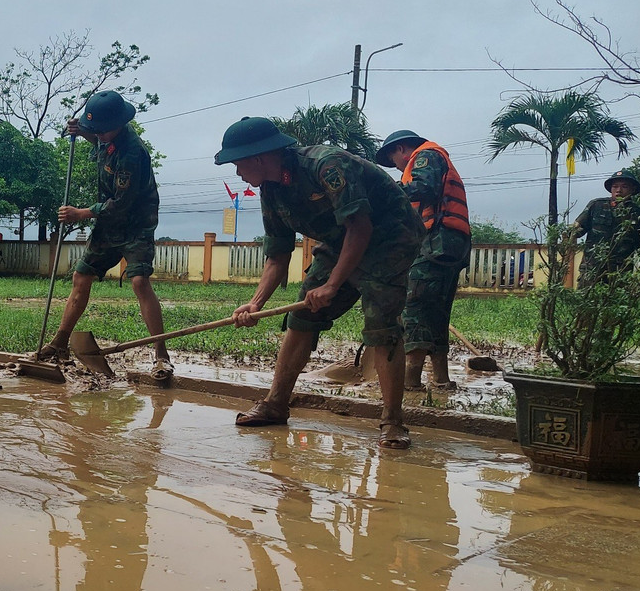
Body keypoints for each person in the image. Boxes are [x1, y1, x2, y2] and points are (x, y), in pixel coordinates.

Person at [214, 116, 424, 449]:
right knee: (301, 318)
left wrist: (332, 285)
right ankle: (276, 403)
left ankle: (392, 422)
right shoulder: (271, 190)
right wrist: (255, 304)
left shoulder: (326, 165)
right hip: (341, 241)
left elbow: (361, 227)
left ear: (258, 157)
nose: (238, 173)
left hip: (389, 238)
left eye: (237, 164)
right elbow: (278, 255)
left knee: (381, 326)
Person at [36, 90, 171, 379]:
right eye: (94, 129)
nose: (97, 135)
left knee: (139, 282)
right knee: (80, 277)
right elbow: (99, 141)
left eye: (101, 131)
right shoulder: (107, 136)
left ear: (118, 125)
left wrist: (79, 213)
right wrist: (81, 131)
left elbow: (120, 204)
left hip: (136, 224)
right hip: (109, 226)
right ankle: (59, 343)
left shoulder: (133, 154)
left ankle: (161, 355)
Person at [373, 130, 472, 390]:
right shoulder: (438, 158)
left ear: (402, 149)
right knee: (436, 311)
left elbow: (424, 187)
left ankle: (410, 381)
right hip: (452, 243)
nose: (395, 164)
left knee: (414, 306)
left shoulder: (425, 157)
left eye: (392, 157)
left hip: (436, 242)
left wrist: (386, 191)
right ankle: (441, 379)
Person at [572, 169, 640, 285]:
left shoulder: (639, 214)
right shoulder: (596, 205)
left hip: (620, 274)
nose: (618, 190)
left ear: (633, 189)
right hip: (592, 271)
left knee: (618, 303)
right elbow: (575, 232)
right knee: (588, 302)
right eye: (615, 186)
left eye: (624, 187)